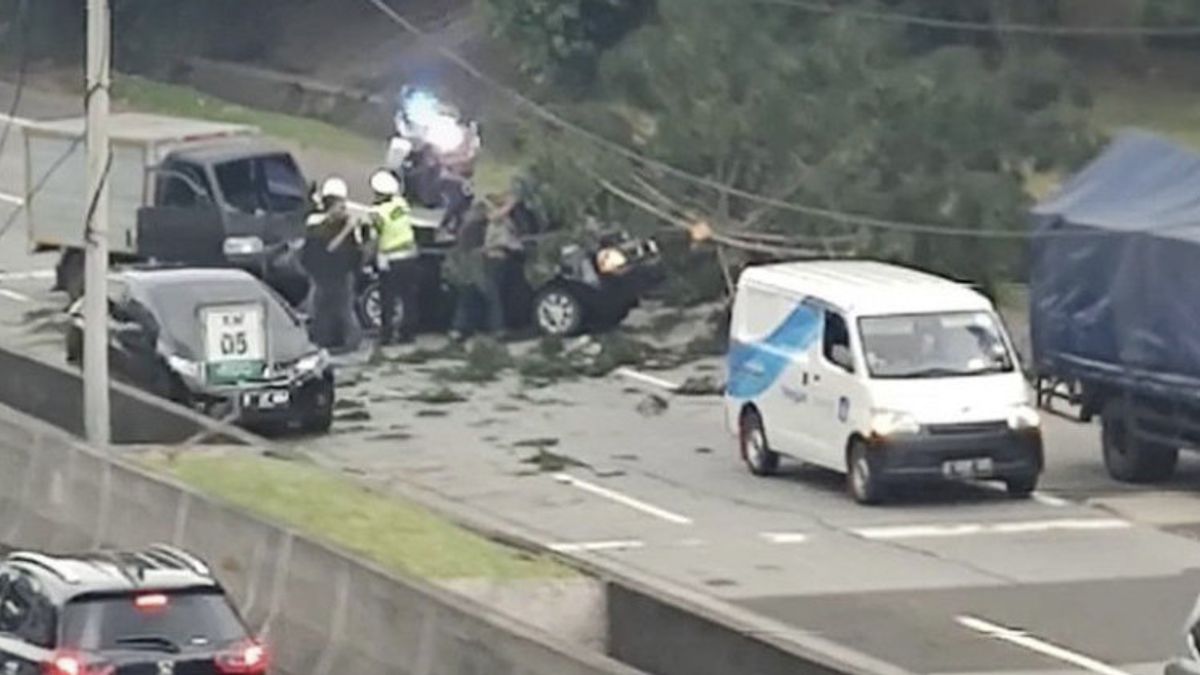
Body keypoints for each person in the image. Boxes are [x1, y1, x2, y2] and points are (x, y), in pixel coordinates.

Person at [301, 177, 362, 354]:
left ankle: (348, 342)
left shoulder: (340, 223)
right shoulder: (318, 224)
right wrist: (347, 229)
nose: (343, 209)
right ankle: (324, 340)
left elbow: (354, 249)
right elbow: (329, 247)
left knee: (343, 309)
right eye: (340, 206)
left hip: (340, 274)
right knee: (321, 310)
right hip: (323, 274)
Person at [368, 169, 419, 345]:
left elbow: (376, 237)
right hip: (410, 255)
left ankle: (387, 335)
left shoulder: (377, 212)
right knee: (408, 297)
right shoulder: (400, 203)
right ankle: (408, 334)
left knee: (387, 299)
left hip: (391, 258)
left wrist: (369, 256)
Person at [480, 194, 525, 336]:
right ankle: (497, 328)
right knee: (494, 296)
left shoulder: (506, 221)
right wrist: (511, 204)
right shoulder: (495, 217)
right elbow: (493, 215)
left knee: (501, 295)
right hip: (494, 258)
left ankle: (503, 326)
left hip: (503, 259)